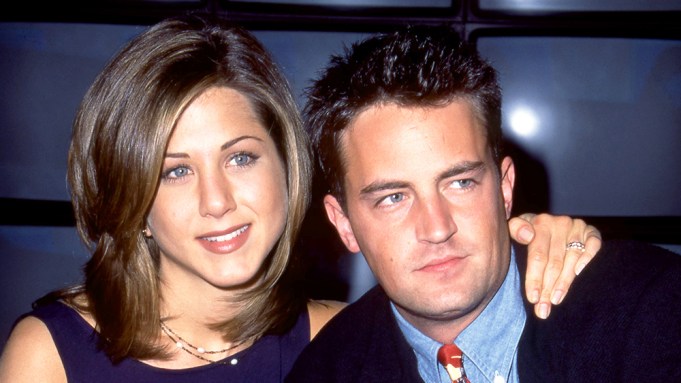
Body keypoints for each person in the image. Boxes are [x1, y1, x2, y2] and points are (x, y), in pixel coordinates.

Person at [0, 15, 600, 383]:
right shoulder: (51, 353)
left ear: (286, 173)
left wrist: (546, 246)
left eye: (240, 158)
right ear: (130, 196)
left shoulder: (342, 341)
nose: (218, 201)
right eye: (174, 172)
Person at [285, 24, 681, 382]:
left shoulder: (648, 310)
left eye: (460, 183)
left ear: (505, 189)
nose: (437, 228)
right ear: (344, 224)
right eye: (393, 198)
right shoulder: (323, 371)